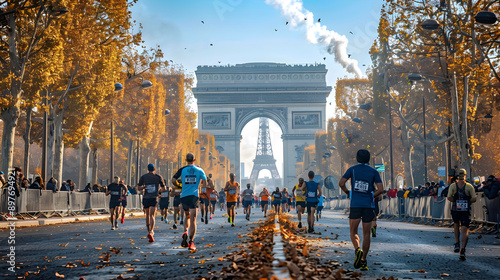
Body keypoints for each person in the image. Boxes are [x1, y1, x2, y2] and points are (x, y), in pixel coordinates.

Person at [339, 149, 384, 271]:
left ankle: (357, 249)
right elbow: (380, 189)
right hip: (368, 205)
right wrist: (371, 195)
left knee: (353, 232)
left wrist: (348, 192)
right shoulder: (374, 171)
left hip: (355, 204)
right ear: (369, 159)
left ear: (357, 158)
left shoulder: (352, 169)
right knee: (366, 234)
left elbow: (341, 182)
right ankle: (364, 261)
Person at [172, 153, 207, 250]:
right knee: (193, 219)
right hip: (194, 196)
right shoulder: (199, 170)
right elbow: (205, 181)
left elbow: (173, 179)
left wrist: (179, 185)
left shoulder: (182, 170)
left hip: (184, 196)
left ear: (186, 160)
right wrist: (201, 188)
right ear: (194, 160)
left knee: (187, 216)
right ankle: (191, 242)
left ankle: (185, 231)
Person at [447, 169, 477, 260]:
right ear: (465, 175)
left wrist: (456, 201)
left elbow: (449, 197)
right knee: (463, 228)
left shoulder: (454, 186)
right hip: (463, 210)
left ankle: (459, 245)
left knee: (458, 226)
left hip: (458, 209)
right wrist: (467, 201)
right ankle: (461, 247)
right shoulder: (469, 187)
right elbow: (474, 198)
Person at [138, 164, 166, 242]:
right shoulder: (158, 177)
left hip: (146, 197)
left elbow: (138, 188)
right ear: (155, 169)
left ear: (148, 169)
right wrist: (159, 190)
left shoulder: (143, 177)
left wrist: (144, 187)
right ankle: (151, 231)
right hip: (154, 197)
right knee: (152, 215)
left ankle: (148, 230)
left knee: (147, 215)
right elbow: (164, 188)